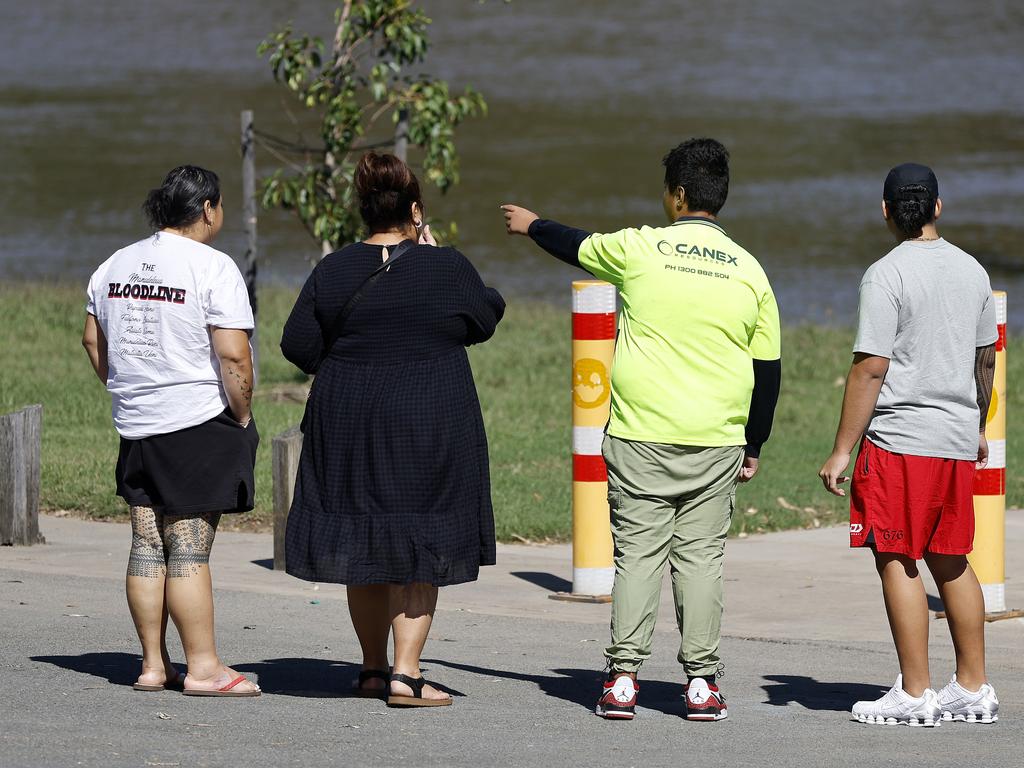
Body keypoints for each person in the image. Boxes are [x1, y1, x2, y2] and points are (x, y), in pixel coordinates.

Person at [502, 137, 782, 721]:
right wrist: (753, 443)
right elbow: (768, 371)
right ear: (720, 198)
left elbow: (575, 245)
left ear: (677, 196)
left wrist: (532, 225)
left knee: (637, 557)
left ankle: (623, 679)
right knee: (701, 561)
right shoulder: (752, 272)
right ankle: (702, 685)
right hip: (716, 440)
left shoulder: (640, 248)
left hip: (639, 435)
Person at [281, 151, 505, 708]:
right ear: (414, 210)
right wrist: (429, 250)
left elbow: (298, 346)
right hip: (428, 418)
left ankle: (374, 669)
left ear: (362, 212)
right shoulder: (445, 266)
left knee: (364, 537)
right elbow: (484, 317)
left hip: (350, 420)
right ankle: (407, 674)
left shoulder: (332, 270)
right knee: (422, 539)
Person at [819, 163, 999, 726]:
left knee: (895, 553)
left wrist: (843, 448)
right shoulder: (973, 271)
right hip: (952, 438)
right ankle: (973, 687)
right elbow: (985, 357)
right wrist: (974, 427)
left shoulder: (885, 274)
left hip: (900, 439)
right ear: (939, 209)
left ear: (886, 211)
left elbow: (871, 366)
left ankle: (915, 693)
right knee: (951, 557)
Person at [82, 165, 261, 697]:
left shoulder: (114, 264)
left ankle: (153, 665)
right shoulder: (213, 266)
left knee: (145, 544)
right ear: (208, 208)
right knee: (187, 550)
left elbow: (94, 342)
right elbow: (233, 353)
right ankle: (204, 668)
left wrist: (126, 387)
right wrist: (243, 414)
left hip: (136, 423)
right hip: (196, 421)